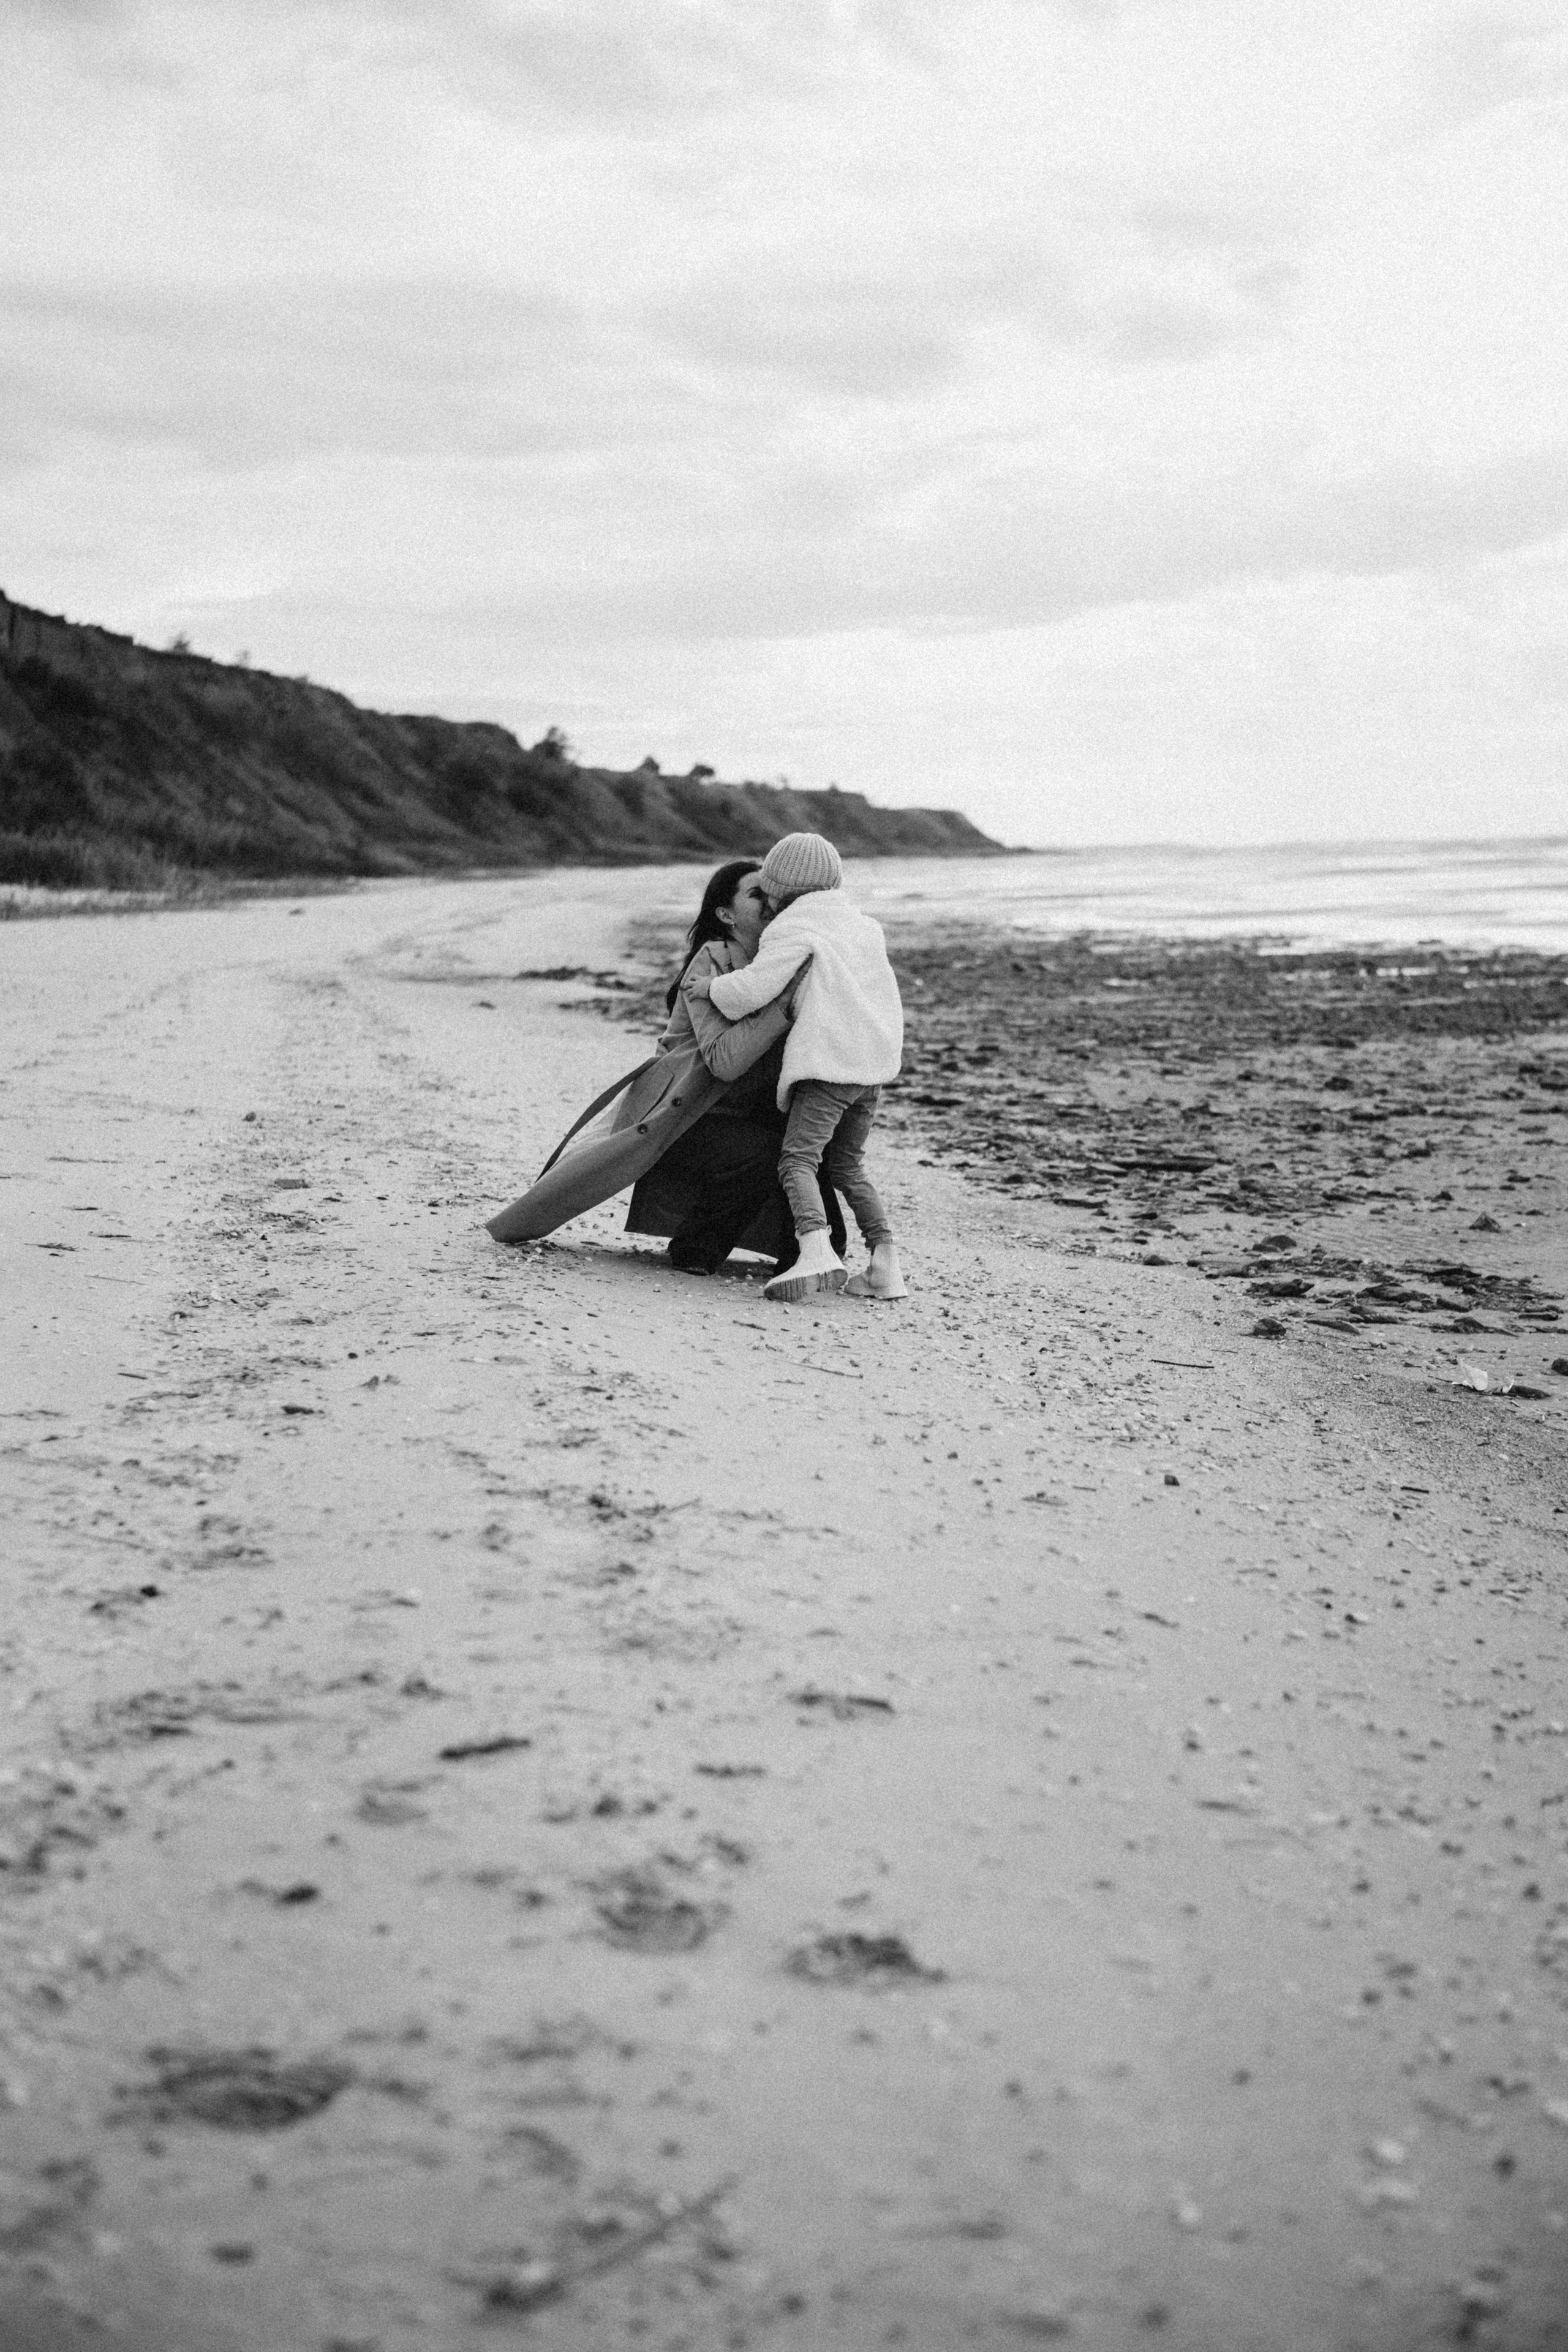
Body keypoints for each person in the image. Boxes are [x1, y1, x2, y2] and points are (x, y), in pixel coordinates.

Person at [688, 832, 906, 1304]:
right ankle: (886, 1263)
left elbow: (750, 991)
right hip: (873, 1069)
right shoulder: (865, 926)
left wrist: (710, 989)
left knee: (798, 1160)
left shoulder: (792, 930)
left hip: (829, 1066)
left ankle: (815, 1250)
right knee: (848, 1165)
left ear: (779, 887)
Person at [625, 859, 846, 1275]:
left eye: (773, 891)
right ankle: (695, 1248)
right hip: (684, 1117)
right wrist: (784, 1003)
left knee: (814, 1137)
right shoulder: (711, 964)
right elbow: (726, 1063)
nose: (772, 901)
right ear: (725, 915)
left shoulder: (778, 961)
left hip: (740, 1114)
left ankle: (804, 1253)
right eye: (756, 894)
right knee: (769, 1151)